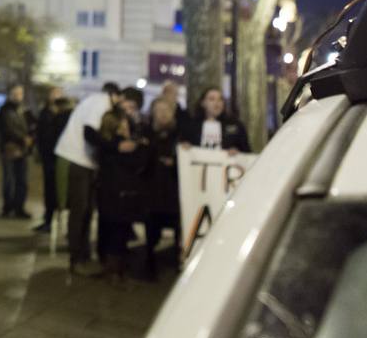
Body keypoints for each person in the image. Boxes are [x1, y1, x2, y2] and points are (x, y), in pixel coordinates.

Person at [54, 81, 121, 276]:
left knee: (86, 211)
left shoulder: (99, 102)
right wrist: (112, 147)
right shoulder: (101, 101)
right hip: (76, 158)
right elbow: (89, 132)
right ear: (116, 96)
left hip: (84, 161)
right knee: (80, 210)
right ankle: (76, 259)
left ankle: (83, 254)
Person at [94, 87, 148, 284]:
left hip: (125, 190)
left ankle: (116, 266)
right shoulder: (112, 140)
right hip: (113, 189)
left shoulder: (135, 133)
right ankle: (112, 267)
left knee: (119, 228)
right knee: (112, 227)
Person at [141, 97, 181, 278]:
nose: (163, 114)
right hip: (153, 191)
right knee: (151, 230)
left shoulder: (180, 135)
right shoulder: (146, 134)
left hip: (173, 192)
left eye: (167, 110)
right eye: (159, 110)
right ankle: (149, 264)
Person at [33, 87, 70, 233]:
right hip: (50, 157)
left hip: (55, 158)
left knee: (54, 190)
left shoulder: (59, 116)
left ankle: (50, 219)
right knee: (51, 190)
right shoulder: (47, 113)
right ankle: (49, 219)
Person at [0, 85, 32, 219]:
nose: (18, 96)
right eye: (15, 93)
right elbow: (6, 129)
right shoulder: (5, 110)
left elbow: (29, 126)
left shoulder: (22, 110)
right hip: (10, 149)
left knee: (21, 180)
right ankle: (8, 207)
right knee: (10, 180)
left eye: (20, 93)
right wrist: (22, 138)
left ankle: (19, 207)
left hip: (22, 150)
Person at [181, 87, 251, 153]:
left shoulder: (236, 125)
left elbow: (247, 151)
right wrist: (184, 146)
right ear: (203, 103)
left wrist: (237, 151)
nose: (217, 103)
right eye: (212, 99)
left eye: (220, 99)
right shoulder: (191, 126)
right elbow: (181, 146)